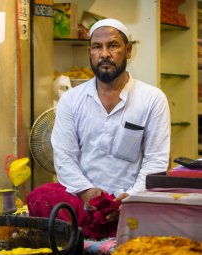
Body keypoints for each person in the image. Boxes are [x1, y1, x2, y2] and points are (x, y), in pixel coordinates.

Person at [27, 19, 170, 234]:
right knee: (40, 195)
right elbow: (64, 157)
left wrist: (130, 198)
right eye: (97, 47)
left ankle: (105, 230)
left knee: (167, 206)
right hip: (84, 202)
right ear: (90, 52)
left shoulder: (152, 98)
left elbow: (156, 160)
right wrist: (86, 191)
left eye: (112, 46)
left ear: (128, 51)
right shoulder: (72, 100)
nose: (104, 54)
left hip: (134, 200)